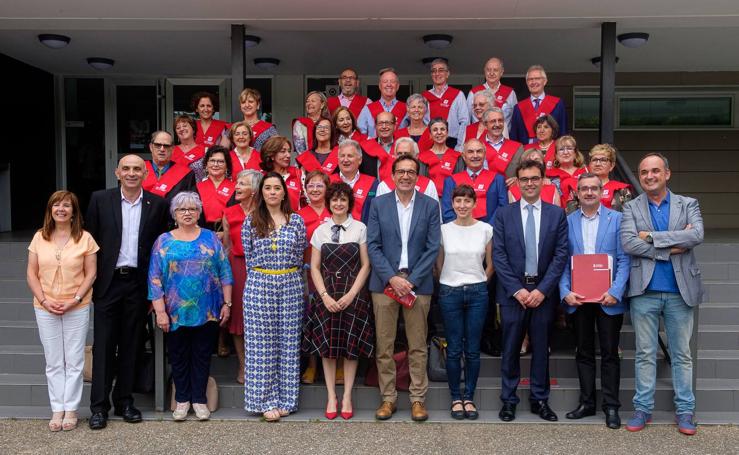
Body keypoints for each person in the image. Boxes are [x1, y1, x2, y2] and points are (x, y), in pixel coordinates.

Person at [621, 153, 705, 436]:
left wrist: (652, 237)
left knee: (681, 355)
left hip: (680, 292)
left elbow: (696, 236)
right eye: (644, 172)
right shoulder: (631, 207)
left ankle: (685, 411)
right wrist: (671, 246)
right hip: (644, 291)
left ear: (667, 174)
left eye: (655, 171)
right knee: (645, 353)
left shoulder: (688, 204)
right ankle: (642, 408)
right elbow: (629, 243)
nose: (649, 176)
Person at [85, 154, 170, 430]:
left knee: (131, 344)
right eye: (126, 169)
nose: (132, 173)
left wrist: (156, 289)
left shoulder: (157, 205)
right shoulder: (100, 199)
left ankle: (124, 401)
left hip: (137, 284)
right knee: (104, 346)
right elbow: (90, 242)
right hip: (108, 284)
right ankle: (99, 407)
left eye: (137, 169)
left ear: (145, 174)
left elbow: (160, 248)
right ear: (117, 172)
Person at [493, 159, 568, 423]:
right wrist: (516, 290)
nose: (529, 184)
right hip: (513, 292)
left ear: (543, 180)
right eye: (524, 179)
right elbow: (498, 255)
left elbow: (561, 255)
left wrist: (543, 290)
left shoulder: (556, 214)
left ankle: (539, 400)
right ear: (517, 182)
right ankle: (509, 400)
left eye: (535, 178)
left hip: (543, 291)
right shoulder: (503, 214)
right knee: (511, 347)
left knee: (540, 347)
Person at [367, 155, 441, 422]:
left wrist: (411, 280)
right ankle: (388, 399)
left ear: (418, 176)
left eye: (411, 172)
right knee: (384, 345)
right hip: (384, 284)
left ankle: (418, 399)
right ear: (393, 175)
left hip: (418, 285)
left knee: (417, 346)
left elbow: (433, 246)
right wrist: (392, 278)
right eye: (401, 171)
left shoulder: (430, 206)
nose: (406, 176)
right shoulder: (378, 204)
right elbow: (372, 245)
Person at [148, 192, 233, 421]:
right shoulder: (163, 241)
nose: (187, 213)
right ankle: (182, 400)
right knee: (178, 356)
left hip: (208, 310)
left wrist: (227, 303)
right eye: (182, 209)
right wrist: (160, 312)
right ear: (174, 214)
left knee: (202, 355)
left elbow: (225, 271)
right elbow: (154, 279)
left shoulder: (210, 238)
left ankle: (200, 400)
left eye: (193, 209)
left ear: (199, 212)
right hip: (175, 312)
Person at [558, 173, 630, 429]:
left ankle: (611, 406)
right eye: (584, 189)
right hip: (578, 299)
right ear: (576, 193)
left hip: (608, 299)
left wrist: (615, 291)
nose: (589, 192)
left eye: (594, 188)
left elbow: (624, 260)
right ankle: (587, 403)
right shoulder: (567, 222)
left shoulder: (618, 219)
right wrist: (565, 290)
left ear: (602, 192)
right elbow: (562, 261)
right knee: (584, 353)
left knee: (610, 353)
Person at [26, 191, 99, 432]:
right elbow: (31, 273)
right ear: (50, 210)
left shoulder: (85, 238)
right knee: (54, 361)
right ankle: (57, 408)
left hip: (76, 307)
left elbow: (91, 274)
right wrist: (45, 300)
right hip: (45, 306)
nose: (61, 209)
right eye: (56, 205)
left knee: (74, 360)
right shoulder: (39, 237)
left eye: (66, 205)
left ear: (74, 211)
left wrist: (75, 299)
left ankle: (71, 409)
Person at [303, 182, 374, 420]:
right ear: (329, 202)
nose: (339, 203)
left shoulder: (360, 228)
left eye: (343, 199)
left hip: (353, 294)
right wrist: (323, 296)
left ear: (349, 203)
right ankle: (331, 395)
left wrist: (352, 294)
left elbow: (365, 264)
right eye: (334, 199)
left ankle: (347, 396)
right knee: (328, 348)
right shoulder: (320, 231)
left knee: (350, 348)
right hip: (327, 293)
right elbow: (314, 266)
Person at [242, 172, 307, 422]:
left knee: (289, 343)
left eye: (276, 188)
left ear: (283, 192)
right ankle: (264, 400)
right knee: (261, 345)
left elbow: (300, 254)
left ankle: (287, 399)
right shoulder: (251, 221)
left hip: (290, 283)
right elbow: (248, 257)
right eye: (267, 188)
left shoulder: (296, 221)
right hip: (260, 283)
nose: (272, 192)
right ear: (261, 193)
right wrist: (263, 279)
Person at [435, 184, 493, 420]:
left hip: (478, 292)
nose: (462, 205)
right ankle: (455, 398)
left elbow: (491, 263)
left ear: (474, 204)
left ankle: (469, 397)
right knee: (453, 349)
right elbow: (437, 263)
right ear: (452, 203)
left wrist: (480, 282)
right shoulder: (444, 230)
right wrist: (447, 282)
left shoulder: (485, 229)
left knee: (472, 350)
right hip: (450, 292)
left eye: (467, 201)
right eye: (458, 201)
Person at [222, 170, 262, 384]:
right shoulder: (229, 213)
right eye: (237, 183)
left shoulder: (265, 212)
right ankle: (243, 365)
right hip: (237, 266)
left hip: (262, 268)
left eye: (242, 184)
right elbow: (227, 247)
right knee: (239, 318)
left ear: (254, 191)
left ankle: (260, 364)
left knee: (261, 317)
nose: (236, 187)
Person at [296, 171, 332, 386]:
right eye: (311, 185)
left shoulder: (335, 210)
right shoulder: (298, 215)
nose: (315, 189)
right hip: (308, 274)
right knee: (310, 319)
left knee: (332, 318)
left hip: (334, 273)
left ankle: (335, 364)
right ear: (305, 189)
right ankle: (312, 365)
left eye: (320, 185)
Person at [441, 138, 507, 224]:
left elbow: (502, 208)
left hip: (490, 233)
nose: (475, 155)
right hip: (459, 233)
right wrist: (461, 229)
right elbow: (447, 212)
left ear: (485, 155)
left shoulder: (498, 180)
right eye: (470, 152)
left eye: (479, 151)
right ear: (464, 156)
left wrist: (488, 230)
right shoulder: (450, 181)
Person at [510, 65, 568, 144]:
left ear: (545, 81)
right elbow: (514, 136)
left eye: (537, 78)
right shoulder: (518, 107)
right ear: (527, 83)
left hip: (551, 151)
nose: (533, 82)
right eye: (530, 79)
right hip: (526, 152)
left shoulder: (557, 103)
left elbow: (563, 132)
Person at [329, 140, 378, 224]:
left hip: (364, 234)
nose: (345, 160)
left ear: (360, 160)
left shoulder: (373, 183)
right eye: (342, 156)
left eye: (350, 156)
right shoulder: (328, 182)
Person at [423, 59, 469, 148]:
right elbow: (423, 123)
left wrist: (459, 146)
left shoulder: (458, 94)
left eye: (441, 70)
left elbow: (464, 122)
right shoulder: (424, 97)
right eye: (434, 71)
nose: (437, 74)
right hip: (430, 144)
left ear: (447, 74)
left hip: (453, 143)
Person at [142, 130, 197, 204]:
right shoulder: (138, 170)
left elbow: (190, 203)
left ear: (172, 149)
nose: (162, 149)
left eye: (166, 146)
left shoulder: (187, 175)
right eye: (158, 145)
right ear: (151, 147)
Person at [467, 57, 517, 133]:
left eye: (495, 70)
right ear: (484, 71)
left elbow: (515, 119)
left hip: (504, 138)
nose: (491, 73)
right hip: (478, 138)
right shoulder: (474, 92)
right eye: (488, 70)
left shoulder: (510, 93)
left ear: (502, 72)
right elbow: (467, 119)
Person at [357, 68, 407, 138]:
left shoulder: (407, 109)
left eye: (392, 81)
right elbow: (360, 135)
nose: (389, 84)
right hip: (374, 148)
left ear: (397, 86)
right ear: (380, 86)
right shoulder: (367, 109)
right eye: (385, 81)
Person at [418, 118, 464, 193]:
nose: (439, 132)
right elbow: (422, 183)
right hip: (430, 199)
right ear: (430, 134)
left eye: (442, 129)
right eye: (435, 130)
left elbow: (460, 183)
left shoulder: (457, 156)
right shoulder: (422, 158)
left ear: (447, 133)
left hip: (452, 199)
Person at [260, 136, 304, 210]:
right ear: (272, 155)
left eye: (289, 151)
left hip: (294, 220)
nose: (288, 155)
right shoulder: (261, 177)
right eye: (283, 151)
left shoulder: (298, 173)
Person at [196, 146, 235, 227]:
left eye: (220, 161)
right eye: (212, 161)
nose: (216, 164)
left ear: (227, 166)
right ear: (206, 165)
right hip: (201, 233)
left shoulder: (236, 189)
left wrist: (225, 233)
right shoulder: (195, 188)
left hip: (228, 233)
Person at [481, 108, 525, 181]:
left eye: (500, 120)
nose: (497, 124)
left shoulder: (518, 148)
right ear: (485, 125)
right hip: (483, 189)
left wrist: (517, 179)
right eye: (493, 121)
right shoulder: (476, 147)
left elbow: (525, 172)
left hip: (510, 190)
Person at [587, 144, 633, 211]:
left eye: (603, 160)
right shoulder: (579, 188)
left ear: (612, 165)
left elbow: (627, 217)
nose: (598, 164)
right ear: (589, 164)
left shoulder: (622, 190)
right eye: (594, 160)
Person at [549, 135, 588, 209]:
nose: (565, 152)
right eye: (561, 149)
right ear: (556, 155)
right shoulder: (549, 176)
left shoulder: (586, 171)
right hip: (561, 215)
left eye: (569, 148)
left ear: (575, 153)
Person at [359, 110, 397, 179]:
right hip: (371, 188)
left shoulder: (402, 147)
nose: (384, 127)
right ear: (375, 127)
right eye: (380, 123)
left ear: (394, 126)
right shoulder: (364, 148)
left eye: (388, 123)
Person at [172, 115, 207, 181]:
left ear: (193, 129)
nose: (181, 129)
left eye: (185, 126)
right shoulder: (171, 151)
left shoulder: (205, 151)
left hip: (198, 189)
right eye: (178, 128)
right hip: (175, 189)